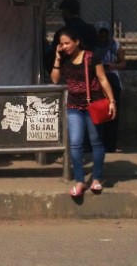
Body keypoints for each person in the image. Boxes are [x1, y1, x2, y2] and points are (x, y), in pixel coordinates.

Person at [50, 26, 117, 198]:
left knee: (95, 141)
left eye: (67, 43)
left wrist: (112, 101)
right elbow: (55, 80)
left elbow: (102, 78)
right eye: (61, 44)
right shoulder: (64, 59)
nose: (64, 46)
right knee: (75, 143)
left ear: (76, 42)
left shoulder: (91, 57)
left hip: (93, 105)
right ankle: (80, 181)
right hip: (74, 106)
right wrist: (57, 59)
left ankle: (96, 178)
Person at [94, 21, 126, 152]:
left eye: (105, 34)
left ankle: (110, 144)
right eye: (100, 34)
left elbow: (123, 63)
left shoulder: (114, 45)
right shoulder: (93, 46)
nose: (102, 37)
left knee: (112, 113)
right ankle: (97, 142)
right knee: (98, 112)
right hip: (97, 80)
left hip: (112, 78)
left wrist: (112, 66)